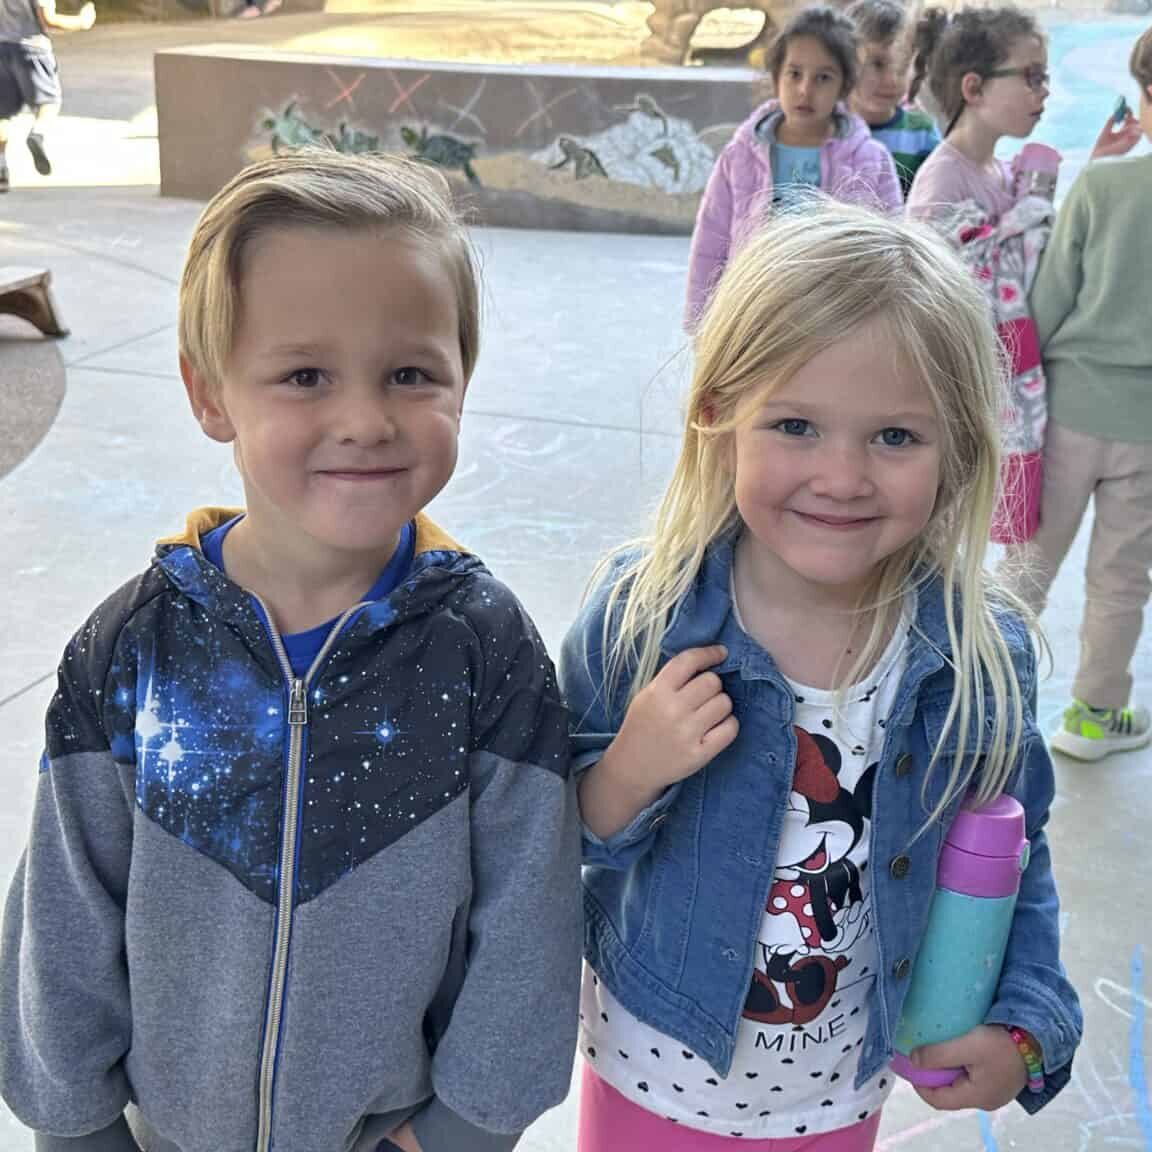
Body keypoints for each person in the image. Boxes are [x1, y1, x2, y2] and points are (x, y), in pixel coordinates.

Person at [0, 151, 582, 1152]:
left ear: (461, 379)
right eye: (305, 375)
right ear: (211, 393)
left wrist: (461, 1131)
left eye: (410, 373)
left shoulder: (486, 654)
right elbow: (63, 916)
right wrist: (77, 1126)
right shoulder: (129, 651)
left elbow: (530, 925)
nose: (365, 419)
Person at [563, 202, 1081, 1152]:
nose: (841, 477)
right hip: (653, 1069)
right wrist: (630, 771)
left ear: (958, 448)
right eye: (796, 425)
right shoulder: (646, 617)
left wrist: (1024, 1022)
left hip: (841, 1091)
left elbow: (1017, 850)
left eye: (894, 438)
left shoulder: (978, 655)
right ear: (721, 415)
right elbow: (546, 842)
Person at [1007, 24, 1152, 762]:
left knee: (1031, 559)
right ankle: (1095, 718)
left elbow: (1048, 298)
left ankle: (984, 691)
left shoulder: (1100, 185)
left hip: (1068, 410)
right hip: (1148, 429)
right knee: (1122, 576)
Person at [685, 5, 901, 326]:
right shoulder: (742, 155)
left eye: (823, 78)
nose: (805, 89)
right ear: (776, 78)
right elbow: (710, 241)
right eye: (794, 73)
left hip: (836, 320)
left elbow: (895, 243)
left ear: (843, 87)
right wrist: (699, 322)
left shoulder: (870, 159)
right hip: (755, 314)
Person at [905, 5, 1141, 223]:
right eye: (1034, 78)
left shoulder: (1005, 173)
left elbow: (1046, 252)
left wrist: (1097, 161)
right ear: (974, 89)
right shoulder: (941, 185)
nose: (1046, 91)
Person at [845, 0, 939, 197]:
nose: (892, 79)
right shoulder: (825, 128)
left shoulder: (923, 134)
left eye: (902, 65)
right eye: (877, 64)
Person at [0, 0, 94, 192]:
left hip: (2, 48)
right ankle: (38, 134)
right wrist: (82, 21)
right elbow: (48, 20)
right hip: (32, 49)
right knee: (49, 102)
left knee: (3, 114)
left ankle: (1, 168)